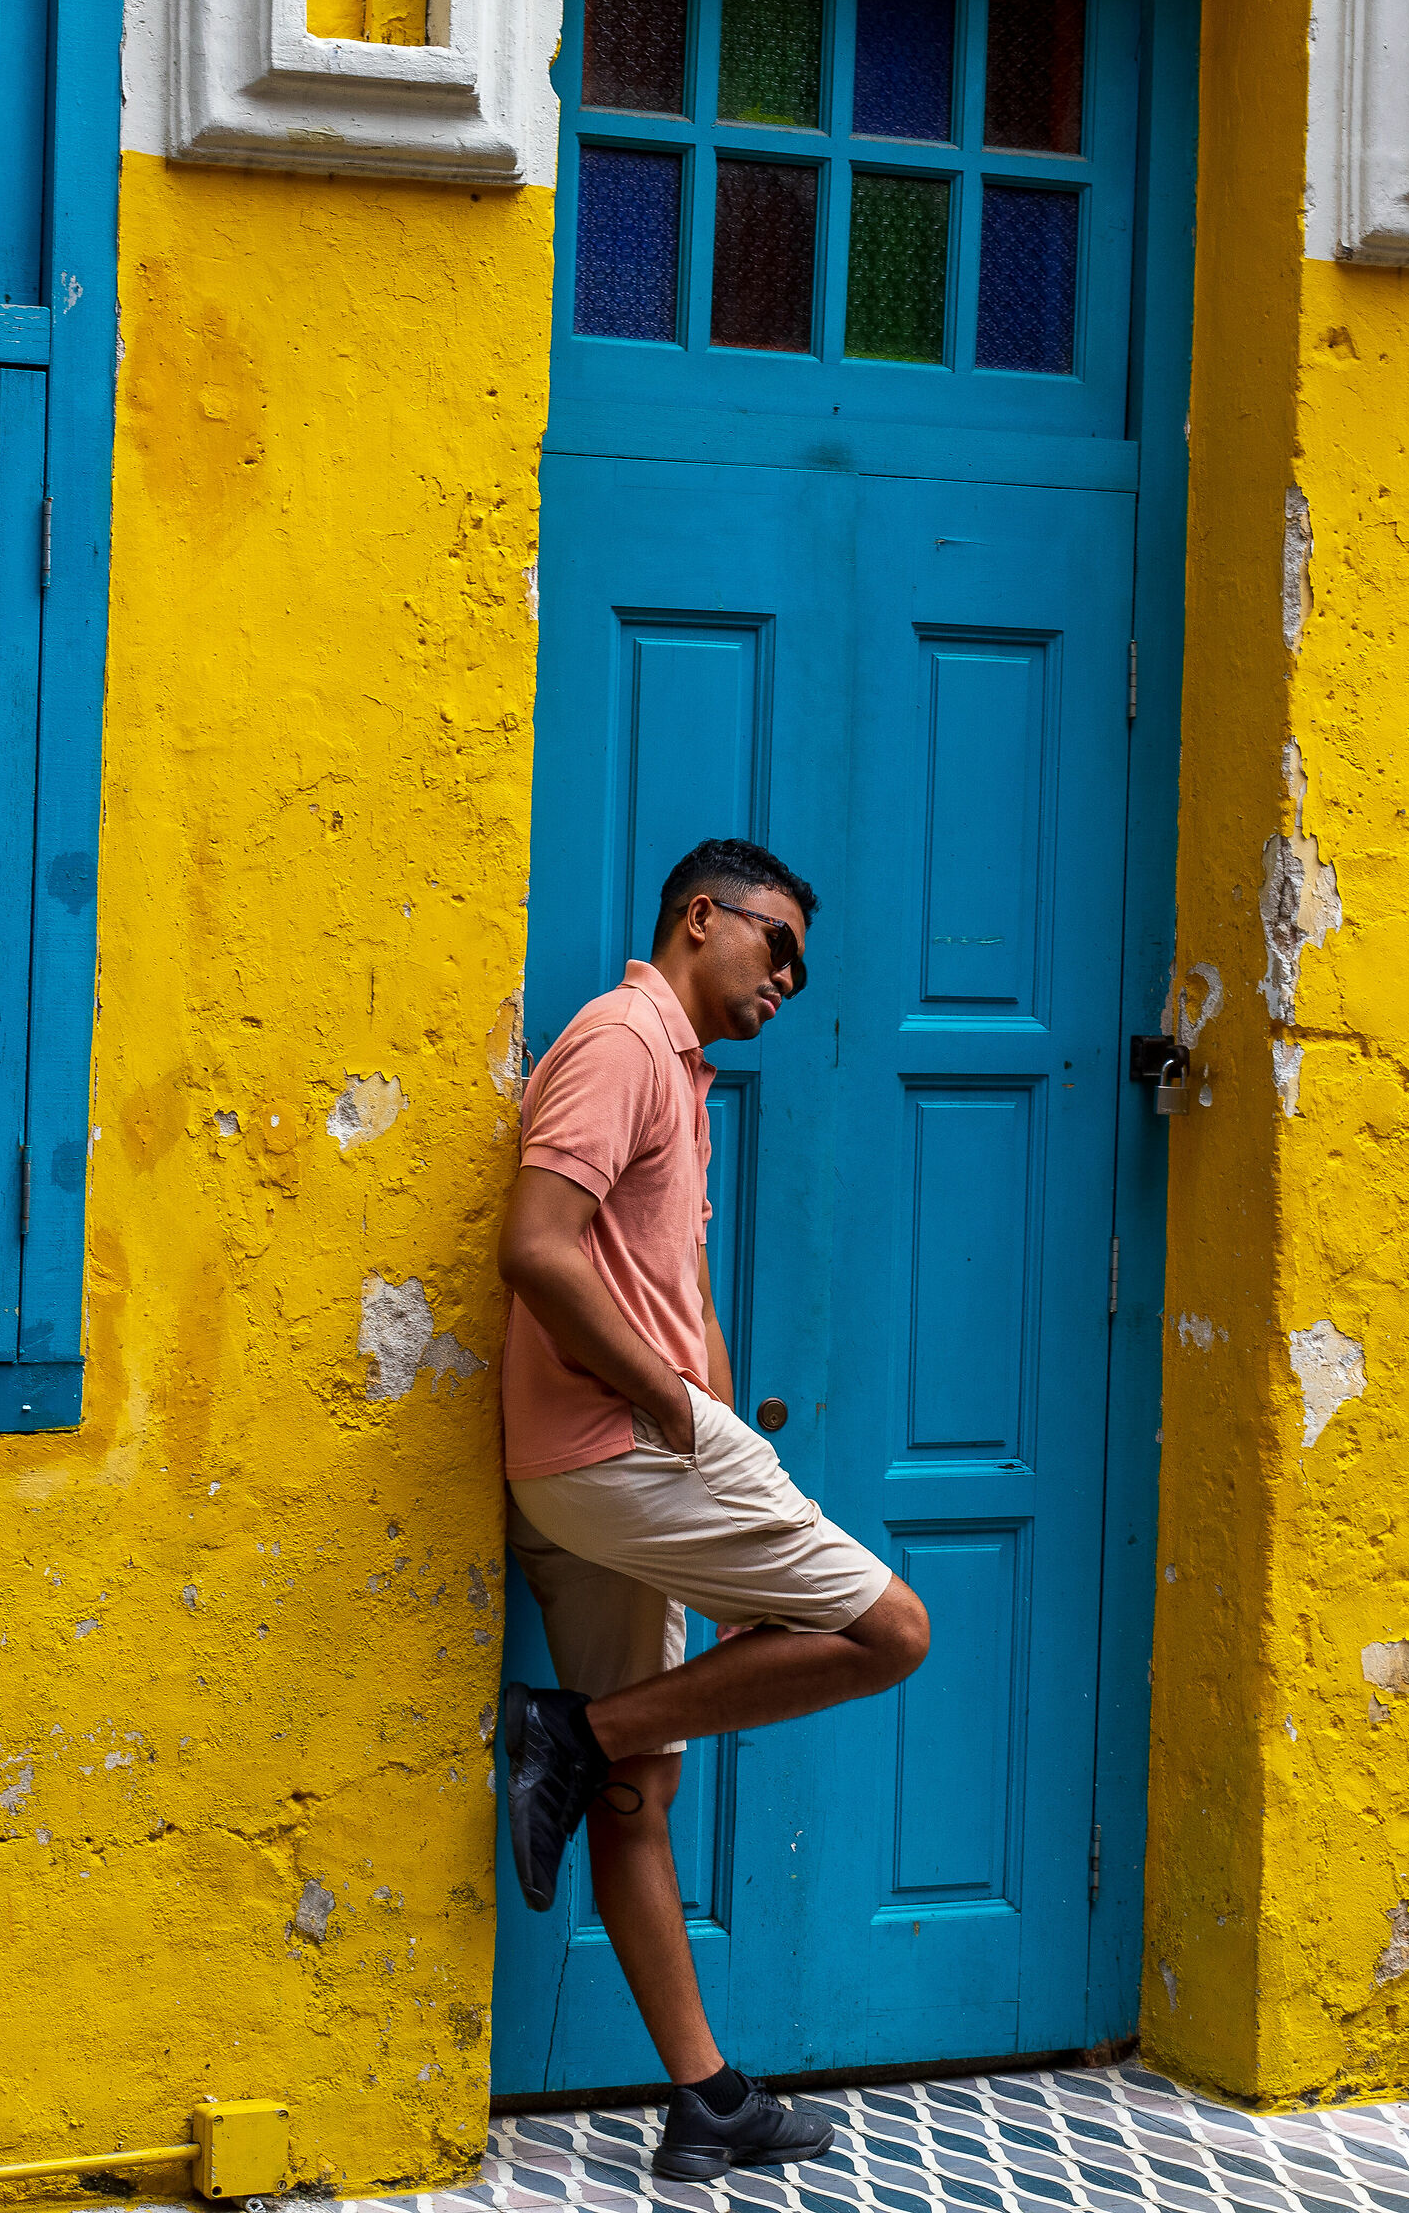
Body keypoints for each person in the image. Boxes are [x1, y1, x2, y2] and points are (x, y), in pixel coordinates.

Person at [497, 836, 931, 2183]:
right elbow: (535, 1249)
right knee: (889, 1632)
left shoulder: (680, 1076)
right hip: (622, 1453)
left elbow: (665, 1285)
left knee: (639, 1787)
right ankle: (567, 1732)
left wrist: (717, 1407)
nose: (791, 978)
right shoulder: (626, 1041)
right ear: (703, 917)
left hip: (620, 1459)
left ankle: (706, 2099)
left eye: (803, 962)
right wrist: (683, 1416)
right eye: (778, 945)